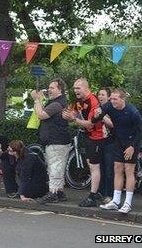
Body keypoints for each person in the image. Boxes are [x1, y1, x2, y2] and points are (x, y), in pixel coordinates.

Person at [96, 89, 142, 214]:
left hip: (131, 143)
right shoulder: (110, 106)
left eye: (115, 99)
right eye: (111, 98)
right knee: (117, 168)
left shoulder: (133, 112)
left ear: (123, 99)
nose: (112, 101)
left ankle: (127, 203)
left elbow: (141, 131)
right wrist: (97, 114)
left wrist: (132, 146)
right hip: (118, 141)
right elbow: (97, 118)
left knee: (129, 170)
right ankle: (116, 201)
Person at [63, 78, 109, 207]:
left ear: (86, 88)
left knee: (94, 167)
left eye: (78, 88)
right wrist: (67, 115)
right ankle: (97, 192)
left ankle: (93, 196)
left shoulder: (93, 101)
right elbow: (73, 112)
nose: (75, 91)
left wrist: (74, 119)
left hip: (96, 137)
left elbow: (90, 124)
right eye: (74, 88)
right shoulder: (79, 100)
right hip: (88, 136)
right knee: (91, 165)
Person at [31, 78, 71, 204]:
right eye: (49, 87)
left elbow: (42, 114)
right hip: (54, 141)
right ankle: (59, 192)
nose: (49, 90)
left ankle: (53, 193)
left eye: (52, 88)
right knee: (56, 167)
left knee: (55, 168)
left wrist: (37, 99)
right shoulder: (55, 102)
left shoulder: (58, 104)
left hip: (56, 141)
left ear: (60, 90)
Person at [96, 87, 115, 203]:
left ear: (108, 97)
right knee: (100, 167)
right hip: (98, 141)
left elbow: (112, 124)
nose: (100, 97)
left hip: (110, 141)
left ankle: (110, 194)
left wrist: (101, 115)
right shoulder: (97, 108)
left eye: (103, 95)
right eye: (99, 94)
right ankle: (101, 192)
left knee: (109, 168)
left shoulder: (111, 109)